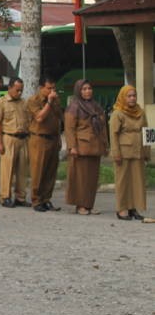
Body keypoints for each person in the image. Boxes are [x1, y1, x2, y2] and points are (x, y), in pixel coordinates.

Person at [64, 79, 107, 215]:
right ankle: (80, 205)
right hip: (81, 147)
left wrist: (105, 145)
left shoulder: (96, 106)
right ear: (78, 91)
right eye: (84, 89)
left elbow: (103, 127)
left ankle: (89, 204)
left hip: (95, 147)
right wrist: (72, 147)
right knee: (80, 178)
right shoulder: (74, 106)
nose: (88, 91)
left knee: (92, 178)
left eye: (89, 88)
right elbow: (69, 129)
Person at [109, 85, 148, 220]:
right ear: (123, 97)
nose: (132, 98)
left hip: (138, 151)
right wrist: (116, 153)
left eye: (134, 95)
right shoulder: (117, 113)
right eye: (129, 96)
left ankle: (133, 208)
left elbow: (147, 132)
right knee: (123, 181)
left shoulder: (141, 112)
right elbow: (113, 135)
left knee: (137, 181)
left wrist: (147, 152)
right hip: (123, 152)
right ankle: (121, 209)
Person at [27, 75, 64, 212]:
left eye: (54, 88)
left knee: (51, 171)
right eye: (49, 88)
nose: (52, 91)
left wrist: (59, 138)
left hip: (53, 138)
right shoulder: (33, 101)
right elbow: (40, 117)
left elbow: (59, 118)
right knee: (39, 171)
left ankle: (46, 199)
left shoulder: (56, 100)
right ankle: (36, 200)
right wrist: (49, 102)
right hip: (39, 139)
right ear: (41, 88)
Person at [0, 78, 31, 207]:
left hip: (23, 138)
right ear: (9, 88)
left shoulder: (24, 103)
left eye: (21, 90)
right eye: (17, 90)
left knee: (22, 170)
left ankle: (20, 197)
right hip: (8, 137)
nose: (19, 93)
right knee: (7, 169)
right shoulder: (1, 102)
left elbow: (29, 120)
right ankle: (5, 196)